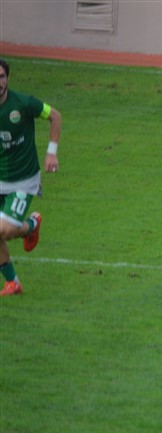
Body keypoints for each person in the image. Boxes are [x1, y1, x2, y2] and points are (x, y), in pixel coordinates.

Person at [0, 58, 60, 296]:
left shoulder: (23, 103)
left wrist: (51, 153)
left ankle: (31, 225)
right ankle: (13, 283)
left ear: (7, 79)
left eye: (1, 77)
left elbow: (55, 116)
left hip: (23, 180)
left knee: (5, 230)